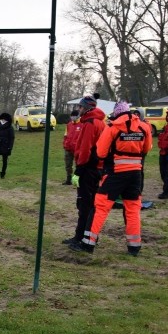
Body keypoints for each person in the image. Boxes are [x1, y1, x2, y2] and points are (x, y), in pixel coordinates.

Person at [72, 100, 152, 256]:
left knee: (100, 207)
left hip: (116, 173)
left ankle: (88, 243)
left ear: (117, 112)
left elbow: (101, 152)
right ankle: (134, 246)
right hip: (136, 174)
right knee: (132, 209)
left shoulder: (113, 127)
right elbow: (147, 148)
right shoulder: (144, 127)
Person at [63, 96, 106, 246]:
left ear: (86, 108)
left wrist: (79, 169)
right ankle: (90, 235)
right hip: (98, 167)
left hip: (88, 168)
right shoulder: (101, 123)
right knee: (92, 204)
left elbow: (85, 148)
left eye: (80, 107)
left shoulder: (89, 124)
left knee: (84, 204)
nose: (78, 110)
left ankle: (80, 237)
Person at [62, 108, 80, 185]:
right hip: (68, 148)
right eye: (72, 116)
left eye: (74, 116)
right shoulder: (69, 124)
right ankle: (68, 179)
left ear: (78, 116)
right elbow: (65, 135)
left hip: (77, 149)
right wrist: (65, 144)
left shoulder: (82, 124)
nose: (72, 117)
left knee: (78, 165)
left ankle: (77, 179)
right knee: (68, 164)